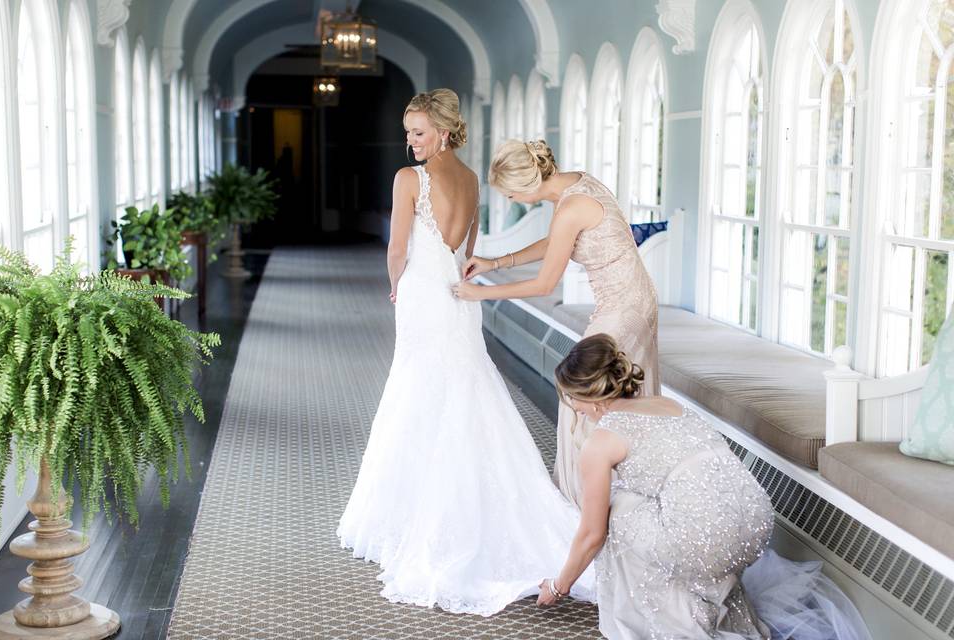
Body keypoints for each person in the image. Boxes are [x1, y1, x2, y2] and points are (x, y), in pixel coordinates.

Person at [336, 89, 595, 616]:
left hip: (422, 294)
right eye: (408, 133)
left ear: (445, 132)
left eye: (419, 133)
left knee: (416, 392)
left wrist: (394, 286)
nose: (410, 143)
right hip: (457, 295)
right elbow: (467, 245)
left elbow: (397, 248)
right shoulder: (473, 180)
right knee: (463, 387)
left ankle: (418, 520)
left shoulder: (410, 180)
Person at [540, 334, 873, 640]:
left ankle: (667, 620)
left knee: (616, 507)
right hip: (755, 522)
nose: (574, 408)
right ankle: (698, 602)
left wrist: (558, 586)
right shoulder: (668, 404)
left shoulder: (601, 441)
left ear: (587, 395)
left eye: (570, 399)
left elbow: (591, 535)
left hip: (705, 538)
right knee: (651, 503)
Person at [452, 141, 659, 508]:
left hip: (624, 308)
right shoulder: (578, 183)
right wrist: (496, 263)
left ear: (528, 183)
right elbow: (556, 242)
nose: (513, 200)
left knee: (581, 393)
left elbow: (544, 284)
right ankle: (612, 493)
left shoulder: (570, 207)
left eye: (511, 193)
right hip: (634, 299)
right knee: (609, 396)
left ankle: (588, 502)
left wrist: (478, 294)